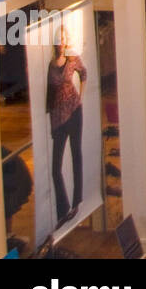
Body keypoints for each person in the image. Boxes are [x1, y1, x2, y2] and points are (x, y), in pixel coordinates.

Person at [47, 25, 86, 228]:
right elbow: (49, 96)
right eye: (58, 39)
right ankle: (62, 210)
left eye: (63, 38)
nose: (60, 42)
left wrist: (81, 96)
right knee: (56, 167)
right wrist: (52, 124)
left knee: (76, 154)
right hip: (58, 118)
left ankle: (76, 202)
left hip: (74, 112)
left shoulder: (73, 60)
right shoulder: (52, 65)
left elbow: (84, 74)